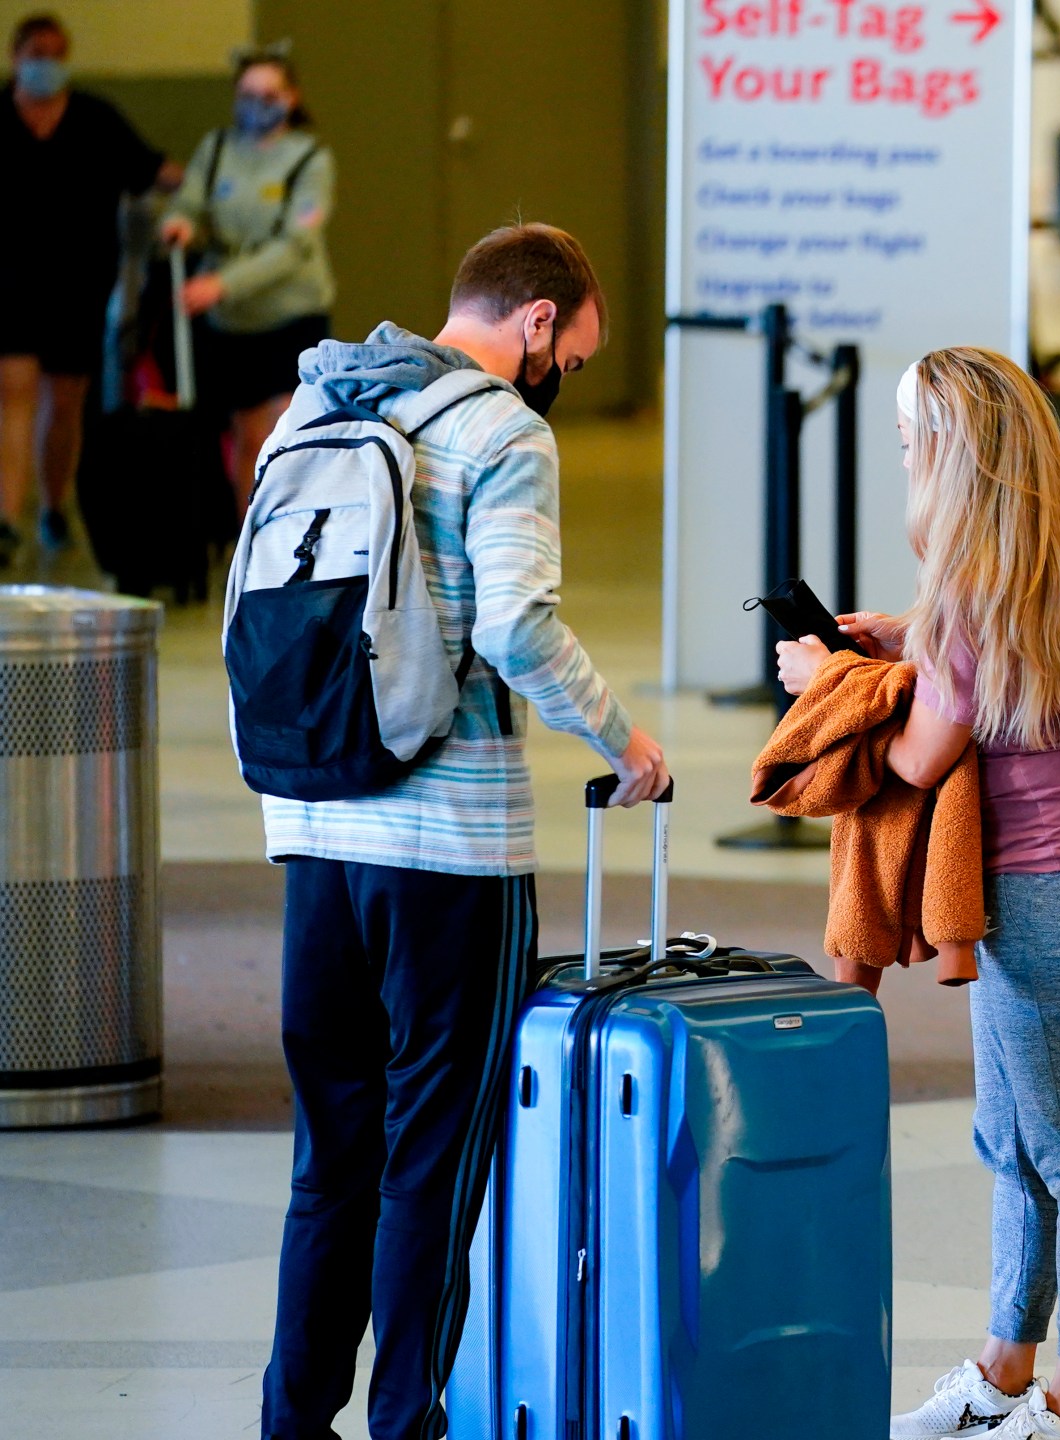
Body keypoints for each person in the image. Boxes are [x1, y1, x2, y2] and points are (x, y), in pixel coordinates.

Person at [255, 223, 670, 1440]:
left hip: (314, 825)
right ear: (537, 322)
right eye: (574, 358)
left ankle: (291, 1424)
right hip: (448, 853)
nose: (564, 379)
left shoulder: (314, 408)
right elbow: (517, 626)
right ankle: (407, 1427)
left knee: (330, 1161)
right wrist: (623, 742)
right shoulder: (504, 430)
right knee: (432, 1160)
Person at [776, 347, 1060, 1440]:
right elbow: (976, 681)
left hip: (1046, 897)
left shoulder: (978, 585)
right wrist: (908, 641)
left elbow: (913, 762)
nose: (900, 459)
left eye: (906, 442)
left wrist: (829, 682)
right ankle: (1002, 1368)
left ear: (947, 452)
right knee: (1017, 1141)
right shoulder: (1048, 554)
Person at [1, 12, 170, 561]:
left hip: (77, 283)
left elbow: (153, 170)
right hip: (9, 282)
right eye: (35, 52)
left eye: (55, 53)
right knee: (14, 392)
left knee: (63, 405)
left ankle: (54, 504)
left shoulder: (96, 119)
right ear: (15, 56)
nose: (45, 63)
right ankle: (7, 516)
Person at [160, 41, 334, 512]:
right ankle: (251, 540)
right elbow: (189, 203)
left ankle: (299, 537)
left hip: (291, 311)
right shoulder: (217, 148)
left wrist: (223, 284)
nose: (258, 105)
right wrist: (180, 223)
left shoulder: (309, 159)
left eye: (270, 94)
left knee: (291, 436)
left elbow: (296, 244)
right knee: (248, 438)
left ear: (292, 97)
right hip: (232, 323)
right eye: (248, 94)